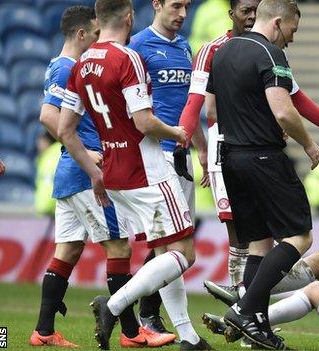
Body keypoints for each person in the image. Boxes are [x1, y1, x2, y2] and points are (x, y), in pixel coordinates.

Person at [176, 0, 319, 289]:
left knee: (260, 238)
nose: (252, 18)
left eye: (256, 11)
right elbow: (198, 105)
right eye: (245, 12)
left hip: (251, 148)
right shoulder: (215, 49)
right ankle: (243, 303)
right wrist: (186, 142)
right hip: (229, 148)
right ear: (231, 15)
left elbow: (295, 98)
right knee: (243, 237)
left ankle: (247, 308)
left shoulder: (265, 49)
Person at [56, 0, 211, 349]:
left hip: (113, 173)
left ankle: (188, 337)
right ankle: (113, 305)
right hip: (149, 170)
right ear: (129, 17)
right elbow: (143, 122)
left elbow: (66, 129)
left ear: (99, 21)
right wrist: (178, 133)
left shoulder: (80, 65)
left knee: (163, 251)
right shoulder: (129, 57)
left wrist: (93, 171)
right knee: (184, 254)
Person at [30, 5, 174, 348]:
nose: (98, 39)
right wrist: (86, 152)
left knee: (67, 252)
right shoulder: (68, 68)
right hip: (84, 174)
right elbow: (49, 116)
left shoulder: (62, 65)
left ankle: (44, 331)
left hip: (69, 174)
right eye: (94, 34)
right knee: (119, 246)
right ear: (82, 34)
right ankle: (130, 332)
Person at [202, 0, 319, 348]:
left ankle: (257, 324)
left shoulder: (223, 51)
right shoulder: (271, 54)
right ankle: (245, 309)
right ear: (277, 22)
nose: (291, 38)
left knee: (259, 242)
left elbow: (211, 108)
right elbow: (283, 110)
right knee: (299, 236)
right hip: (263, 156)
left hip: (230, 157)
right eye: (292, 30)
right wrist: (309, 144)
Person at [128, 0, 208, 343]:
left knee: (171, 243)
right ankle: (148, 314)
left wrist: (202, 147)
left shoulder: (184, 46)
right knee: (172, 244)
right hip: (155, 156)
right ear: (156, 5)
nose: (183, 14)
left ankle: (144, 312)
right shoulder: (138, 46)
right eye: (176, 6)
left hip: (182, 153)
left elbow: (188, 104)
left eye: (187, 7)